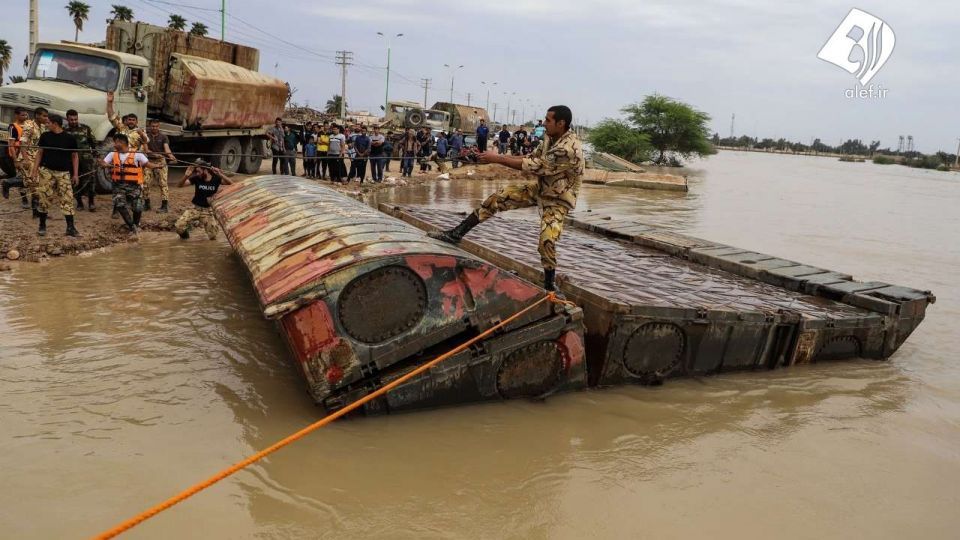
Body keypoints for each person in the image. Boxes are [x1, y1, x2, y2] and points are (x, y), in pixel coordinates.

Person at [429, 106, 583, 294]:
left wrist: (496, 158)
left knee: (547, 240)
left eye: (548, 120)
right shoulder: (550, 137)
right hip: (542, 188)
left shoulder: (568, 149)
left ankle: (550, 285)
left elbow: (534, 166)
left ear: (561, 123)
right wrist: (491, 157)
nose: (544, 123)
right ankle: (455, 234)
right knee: (498, 198)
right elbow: (529, 157)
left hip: (558, 198)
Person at [99, 133, 162, 234]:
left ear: (122, 143)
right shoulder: (112, 154)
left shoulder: (138, 155)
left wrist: (157, 166)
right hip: (118, 185)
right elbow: (102, 162)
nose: (114, 144)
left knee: (137, 207)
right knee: (120, 205)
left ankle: (136, 225)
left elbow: (148, 164)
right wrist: (105, 164)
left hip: (134, 186)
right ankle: (132, 227)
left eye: (116, 142)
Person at [31, 114, 80, 237]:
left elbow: (74, 156)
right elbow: (39, 153)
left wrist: (75, 174)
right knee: (44, 199)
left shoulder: (69, 138)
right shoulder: (45, 136)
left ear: (55, 124)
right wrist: (34, 170)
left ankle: (70, 227)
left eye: (48, 123)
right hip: (46, 171)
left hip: (63, 173)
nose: (46, 125)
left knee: (67, 199)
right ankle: (42, 225)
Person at [175, 159, 233, 240]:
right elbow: (179, 185)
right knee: (178, 226)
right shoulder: (196, 178)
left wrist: (220, 174)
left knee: (213, 235)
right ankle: (185, 238)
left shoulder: (216, 179)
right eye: (196, 171)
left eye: (199, 171)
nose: (197, 173)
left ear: (205, 170)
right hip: (195, 208)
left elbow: (231, 183)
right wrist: (186, 176)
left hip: (208, 211)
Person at [64, 109, 98, 212]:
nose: (74, 121)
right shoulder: (64, 130)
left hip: (86, 159)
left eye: (75, 119)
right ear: (67, 119)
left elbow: (93, 142)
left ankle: (91, 202)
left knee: (90, 180)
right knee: (75, 180)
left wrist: (96, 156)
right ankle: (79, 202)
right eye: (71, 120)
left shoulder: (85, 128)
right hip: (72, 160)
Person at [20, 107, 48, 217]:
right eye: (44, 116)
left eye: (46, 116)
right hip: (29, 158)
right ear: (37, 115)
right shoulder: (29, 126)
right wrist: (26, 160)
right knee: (34, 186)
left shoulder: (43, 127)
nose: (46, 118)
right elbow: (22, 144)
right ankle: (36, 212)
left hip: (38, 158)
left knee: (38, 185)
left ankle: (36, 212)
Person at [143, 119, 176, 213]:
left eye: (156, 126)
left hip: (161, 161)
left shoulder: (164, 137)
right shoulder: (146, 136)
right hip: (148, 161)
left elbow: (166, 149)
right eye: (153, 126)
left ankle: (165, 206)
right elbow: (146, 150)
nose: (154, 128)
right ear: (150, 126)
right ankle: (146, 204)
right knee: (145, 183)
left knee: (163, 183)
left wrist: (171, 156)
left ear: (159, 126)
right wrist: (154, 154)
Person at [2, 107, 32, 209]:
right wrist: (15, 159)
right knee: (22, 177)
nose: (25, 117)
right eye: (23, 115)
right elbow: (11, 144)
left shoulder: (30, 126)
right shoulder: (13, 127)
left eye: (26, 115)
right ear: (17, 115)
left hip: (29, 154)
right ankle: (24, 199)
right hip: (19, 155)